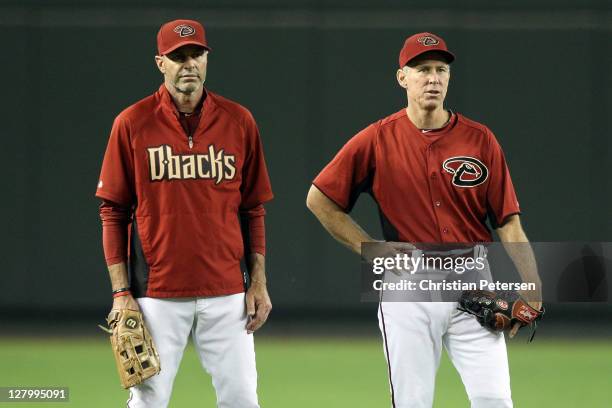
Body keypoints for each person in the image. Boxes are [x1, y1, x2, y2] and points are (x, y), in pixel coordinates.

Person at [306, 32, 542, 408]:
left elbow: (508, 223)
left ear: (448, 78)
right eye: (422, 69)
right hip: (409, 284)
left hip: (474, 282)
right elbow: (319, 200)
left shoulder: (480, 140)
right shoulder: (377, 139)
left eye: (440, 70)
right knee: (413, 402)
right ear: (402, 77)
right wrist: (371, 249)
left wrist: (533, 285)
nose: (432, 78)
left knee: (494, 399)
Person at [96, 19, 273, 408]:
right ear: (161, 63)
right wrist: (121, 293)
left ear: (207, 58)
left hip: (228, 291)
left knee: (243, 400)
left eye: (196, 54)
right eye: (178, 56)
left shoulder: (239, 121)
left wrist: (257, 281)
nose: (189, 63)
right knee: (148, 403)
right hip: (157, 294)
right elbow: (113, 212)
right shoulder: (132, 123)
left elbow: (253, 208)